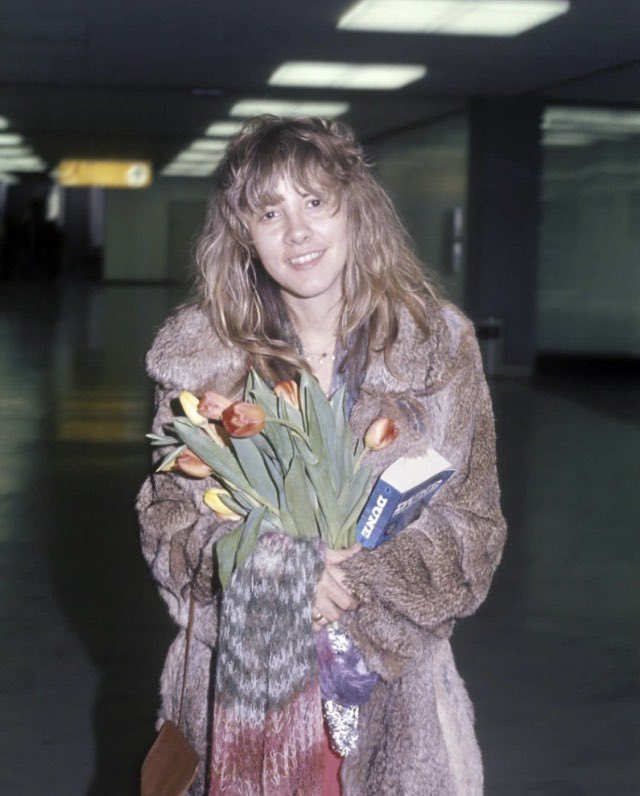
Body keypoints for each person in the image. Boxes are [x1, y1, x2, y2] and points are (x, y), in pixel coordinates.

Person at [137, 116, 507, 795]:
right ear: (244, 233)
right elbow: (167, 527)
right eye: (270, 212)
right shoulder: (204, 362)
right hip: (237, 697)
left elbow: (473, 535)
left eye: (314, 201)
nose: (297, 232)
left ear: (354, 208)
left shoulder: (434, 350)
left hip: (393, 702)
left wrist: (354, 582)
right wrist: (276, 574)